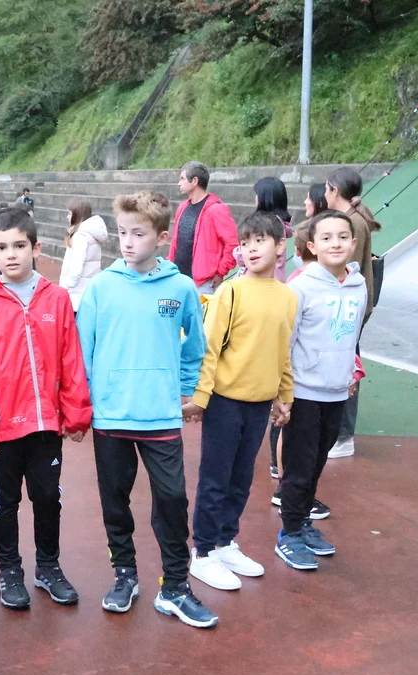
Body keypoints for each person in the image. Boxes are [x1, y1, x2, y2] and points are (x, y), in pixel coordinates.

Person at [77, 191, 216, 628]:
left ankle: (175, 586)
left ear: (161, 237)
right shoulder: (101, 287)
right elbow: (82, 351)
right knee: (115, 501)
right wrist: (86, 401)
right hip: (111, 414)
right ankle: (125, 574)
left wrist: (183, 389)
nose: (128, 242)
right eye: (122, 232)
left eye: (138, 234)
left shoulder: (181, 288)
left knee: (172, 499)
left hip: (160, 415)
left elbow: (195, 346)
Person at [0, 208, 92, 609]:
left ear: (36, 248)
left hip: (46, 423)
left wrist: (75, 413)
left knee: (48, 496)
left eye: (19, 246)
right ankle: (10, 570)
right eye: (2, 248)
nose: (11, 254)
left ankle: (48, 567)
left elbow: (71, 359)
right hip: (1, 428)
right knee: (5, 502)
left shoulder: (56, 298)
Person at [183, 212, 296, 592]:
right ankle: (202, 552)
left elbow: (283, 351)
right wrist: (201, 398)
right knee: (215, 479)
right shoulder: (230, 292)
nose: (251, 249)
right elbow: (209, 347)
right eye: (245, 242)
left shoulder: (288, 297)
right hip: (225, 403)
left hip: (260, 404)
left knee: (242, 479)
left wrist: (284, 396)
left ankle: (224, 541)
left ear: (280, 247)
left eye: (260, 241)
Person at [275, 210, 367, 571]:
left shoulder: (358, 286)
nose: (336, 244)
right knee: (298, 467)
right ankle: (288, 534)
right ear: (312, 246)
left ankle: (302, 523)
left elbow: (352, 335)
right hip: (304, 391)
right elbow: (285, 341)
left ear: (354, 243)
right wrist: (282, 392)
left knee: (316, 463)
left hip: (337, 391)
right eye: (326, 238)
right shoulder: (300, 288)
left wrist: (351, 371)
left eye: (342, 237)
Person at [269, 183, 328, 486]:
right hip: (298, 380)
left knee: (301, 438)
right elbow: (286, 339)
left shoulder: (339, 287)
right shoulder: (297, 286)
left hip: (309, 380)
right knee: (288, 432)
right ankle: (283, 481)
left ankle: (284, 478)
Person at [323, 168, 379, 459]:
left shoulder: (352, 223)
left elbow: (347, 269)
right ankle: (338, 433)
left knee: (348, 366)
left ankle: (343, 435)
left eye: (327, 189)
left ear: (335, 191)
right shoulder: (351, 219)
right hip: (349, 306)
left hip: (349, 308)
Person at [169, 161, 238, 294]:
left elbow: (233, 244)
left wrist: (221, 271)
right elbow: (175, 242)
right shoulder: (182, 207)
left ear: (195, 181)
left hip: (202, 283)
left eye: (182, 179)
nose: (179, 183)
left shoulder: (216, 210)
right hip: (178, 277)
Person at [58, 200, 106, 311]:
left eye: (69, 213)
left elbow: (76, 266)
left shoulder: (80, 236)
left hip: (76, 295)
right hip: (84, 291)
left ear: (77, 215)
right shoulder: (88, 234)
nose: (67, 217)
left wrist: (66, 286)